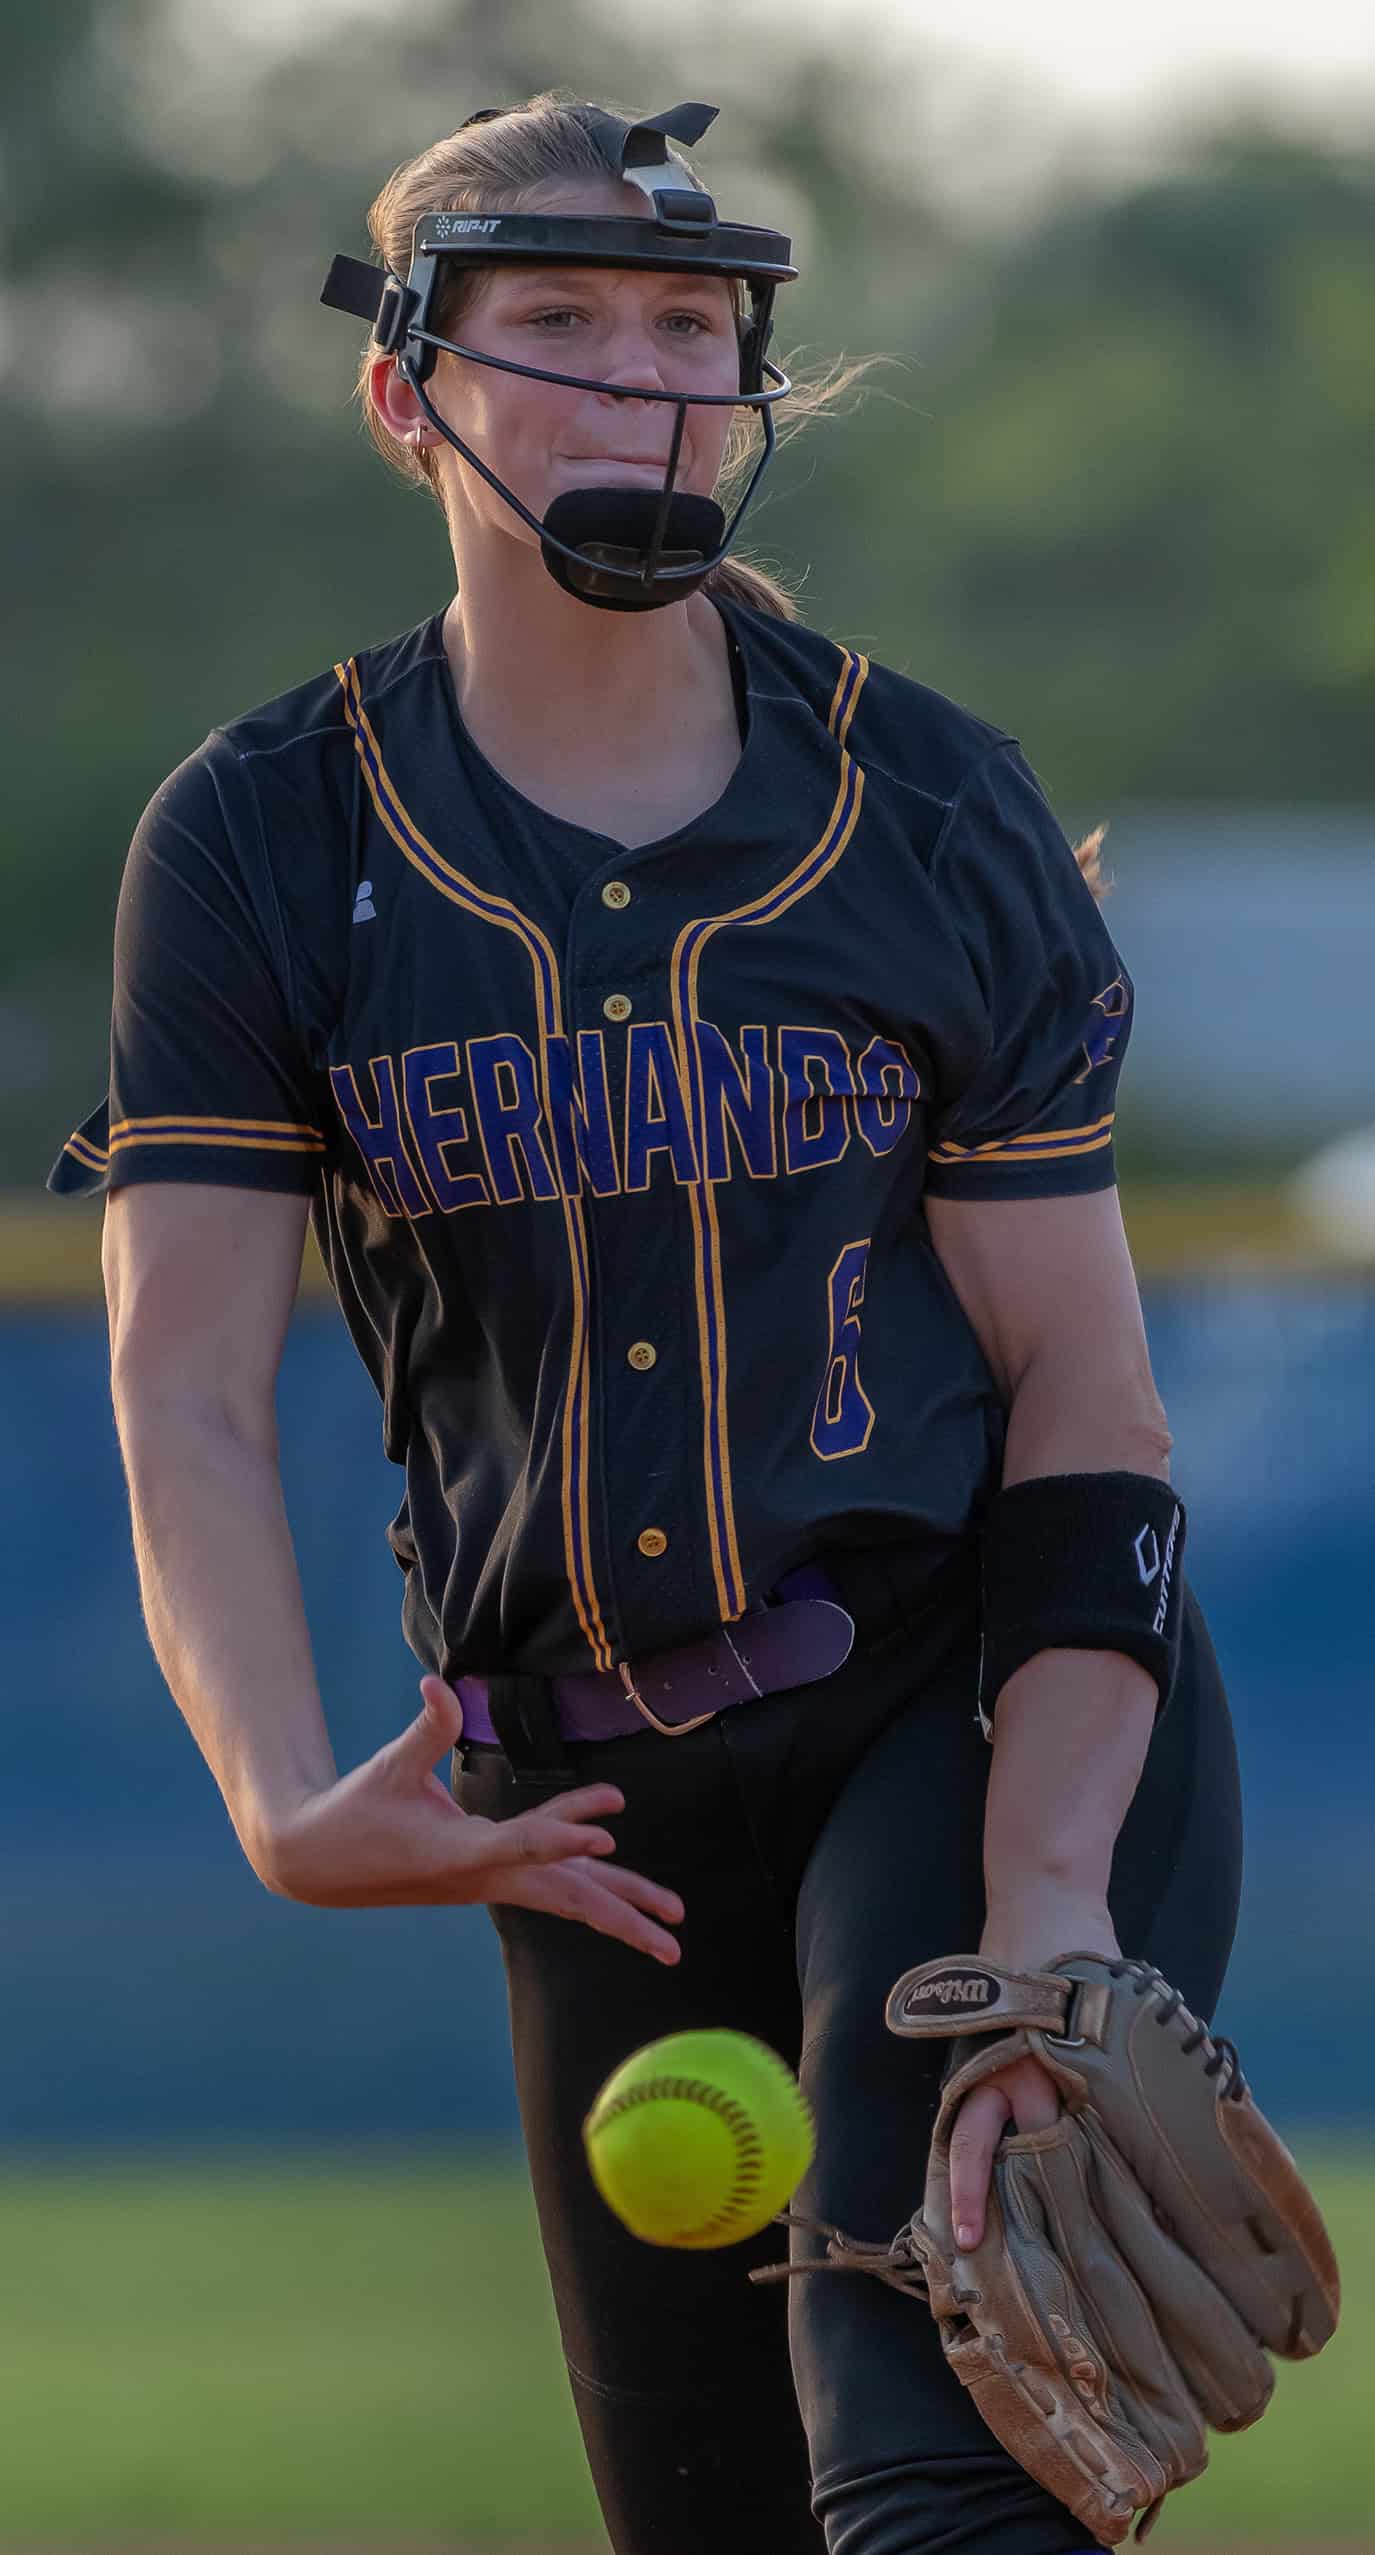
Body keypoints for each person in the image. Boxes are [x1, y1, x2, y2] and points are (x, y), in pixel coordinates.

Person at [51, 93, 1243, 2555]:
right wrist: (278, 1795)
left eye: (691, 331)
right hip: (579, 1809)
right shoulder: (269, 833)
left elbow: (1087, 1401)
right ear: (410, 389)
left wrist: (1044, 1910)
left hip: (959, 1701)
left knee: (928, 2488)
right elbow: (179, 1375)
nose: (644, 386)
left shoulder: (920, 804)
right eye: (560, 329)